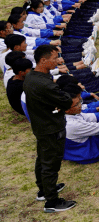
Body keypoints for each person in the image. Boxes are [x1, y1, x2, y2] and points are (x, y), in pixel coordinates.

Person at [23, 45, 78, 212]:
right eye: (55, 58)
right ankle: (52, 202)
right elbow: (67, 101)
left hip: (41, 125)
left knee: (43, 159)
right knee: (50, 164)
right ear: (43, 60)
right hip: (51, 127)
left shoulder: (32, 77)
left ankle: (44, 190)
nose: (58, 61)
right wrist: (64, 100)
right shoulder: (45, 84)